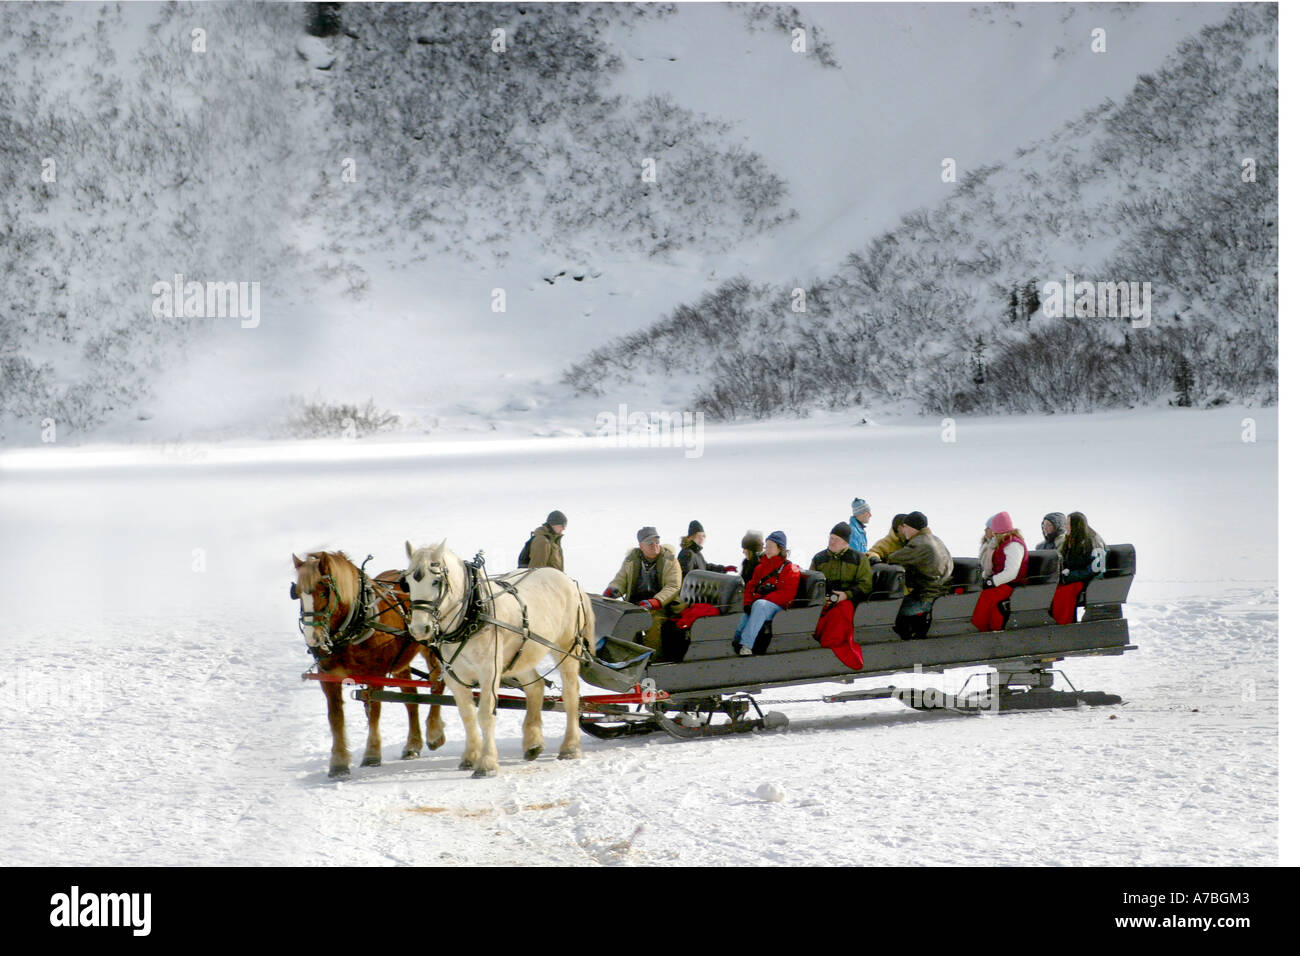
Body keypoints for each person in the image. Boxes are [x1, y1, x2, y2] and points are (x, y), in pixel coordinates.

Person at [603, 527, 683, 659]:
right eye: (650, 543)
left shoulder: (670, 559)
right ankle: (627, 657)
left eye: (657, 542)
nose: (655, 546)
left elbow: (673, 586)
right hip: (636, 604)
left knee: (652, 623)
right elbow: (621, 579)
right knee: (623, 621)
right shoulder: (632, 559)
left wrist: (656, 601)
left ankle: (653, 659)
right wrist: (613, 590)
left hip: (663, 606)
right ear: (641, 546)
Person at [811, 522, 873, 669]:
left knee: (841, 610)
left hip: (848, 600)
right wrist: (821, 597)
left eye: (836, 539)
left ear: (845, 542)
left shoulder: (859, 559)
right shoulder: (819, 558)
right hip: (825, 600)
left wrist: (846, 595)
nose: (831, 542)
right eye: (830, 538)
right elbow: (813, 582)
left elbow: (865, 585)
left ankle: (832, 642)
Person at [733, 531, 801, 656]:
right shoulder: (761, 567)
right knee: (747, 613)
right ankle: (734, 640)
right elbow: (750, 586)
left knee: (759, 605)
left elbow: (787, 594)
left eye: (771, 546)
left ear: (780, 548)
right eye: (766, 546)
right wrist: (748, 602)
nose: (767, 549)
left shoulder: (790, 569)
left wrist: (762, 598)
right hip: (761, 604)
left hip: (779, 606)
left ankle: (747, 644)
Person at [888, 512, 953, 639]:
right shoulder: (936, 539)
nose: (903, 530)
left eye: (905, 526)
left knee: (890, 613)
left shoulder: (919, 544)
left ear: (913, 528)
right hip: (940, 592)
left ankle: (907, 643)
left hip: (926, 597)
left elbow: (893, 559)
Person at [971, 511, 1028, 631]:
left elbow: (1011, 572)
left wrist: (992, 582)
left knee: (987, 597)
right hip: (1000, 583)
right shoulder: (1001, 543)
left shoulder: (1013, 545)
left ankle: (986, 627)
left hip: (1011, 584)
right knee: (977, 594)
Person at [1051, 512, 1108, 625]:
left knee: (1063, 592)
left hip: (1089, 581)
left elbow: (1095, 569)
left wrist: (1071, 576)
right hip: (1073, 577)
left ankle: (1064, 623)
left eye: (1069, 523)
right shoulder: (1070, 539)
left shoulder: (1092, 541)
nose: (1066, 526)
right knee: (1050, 589)